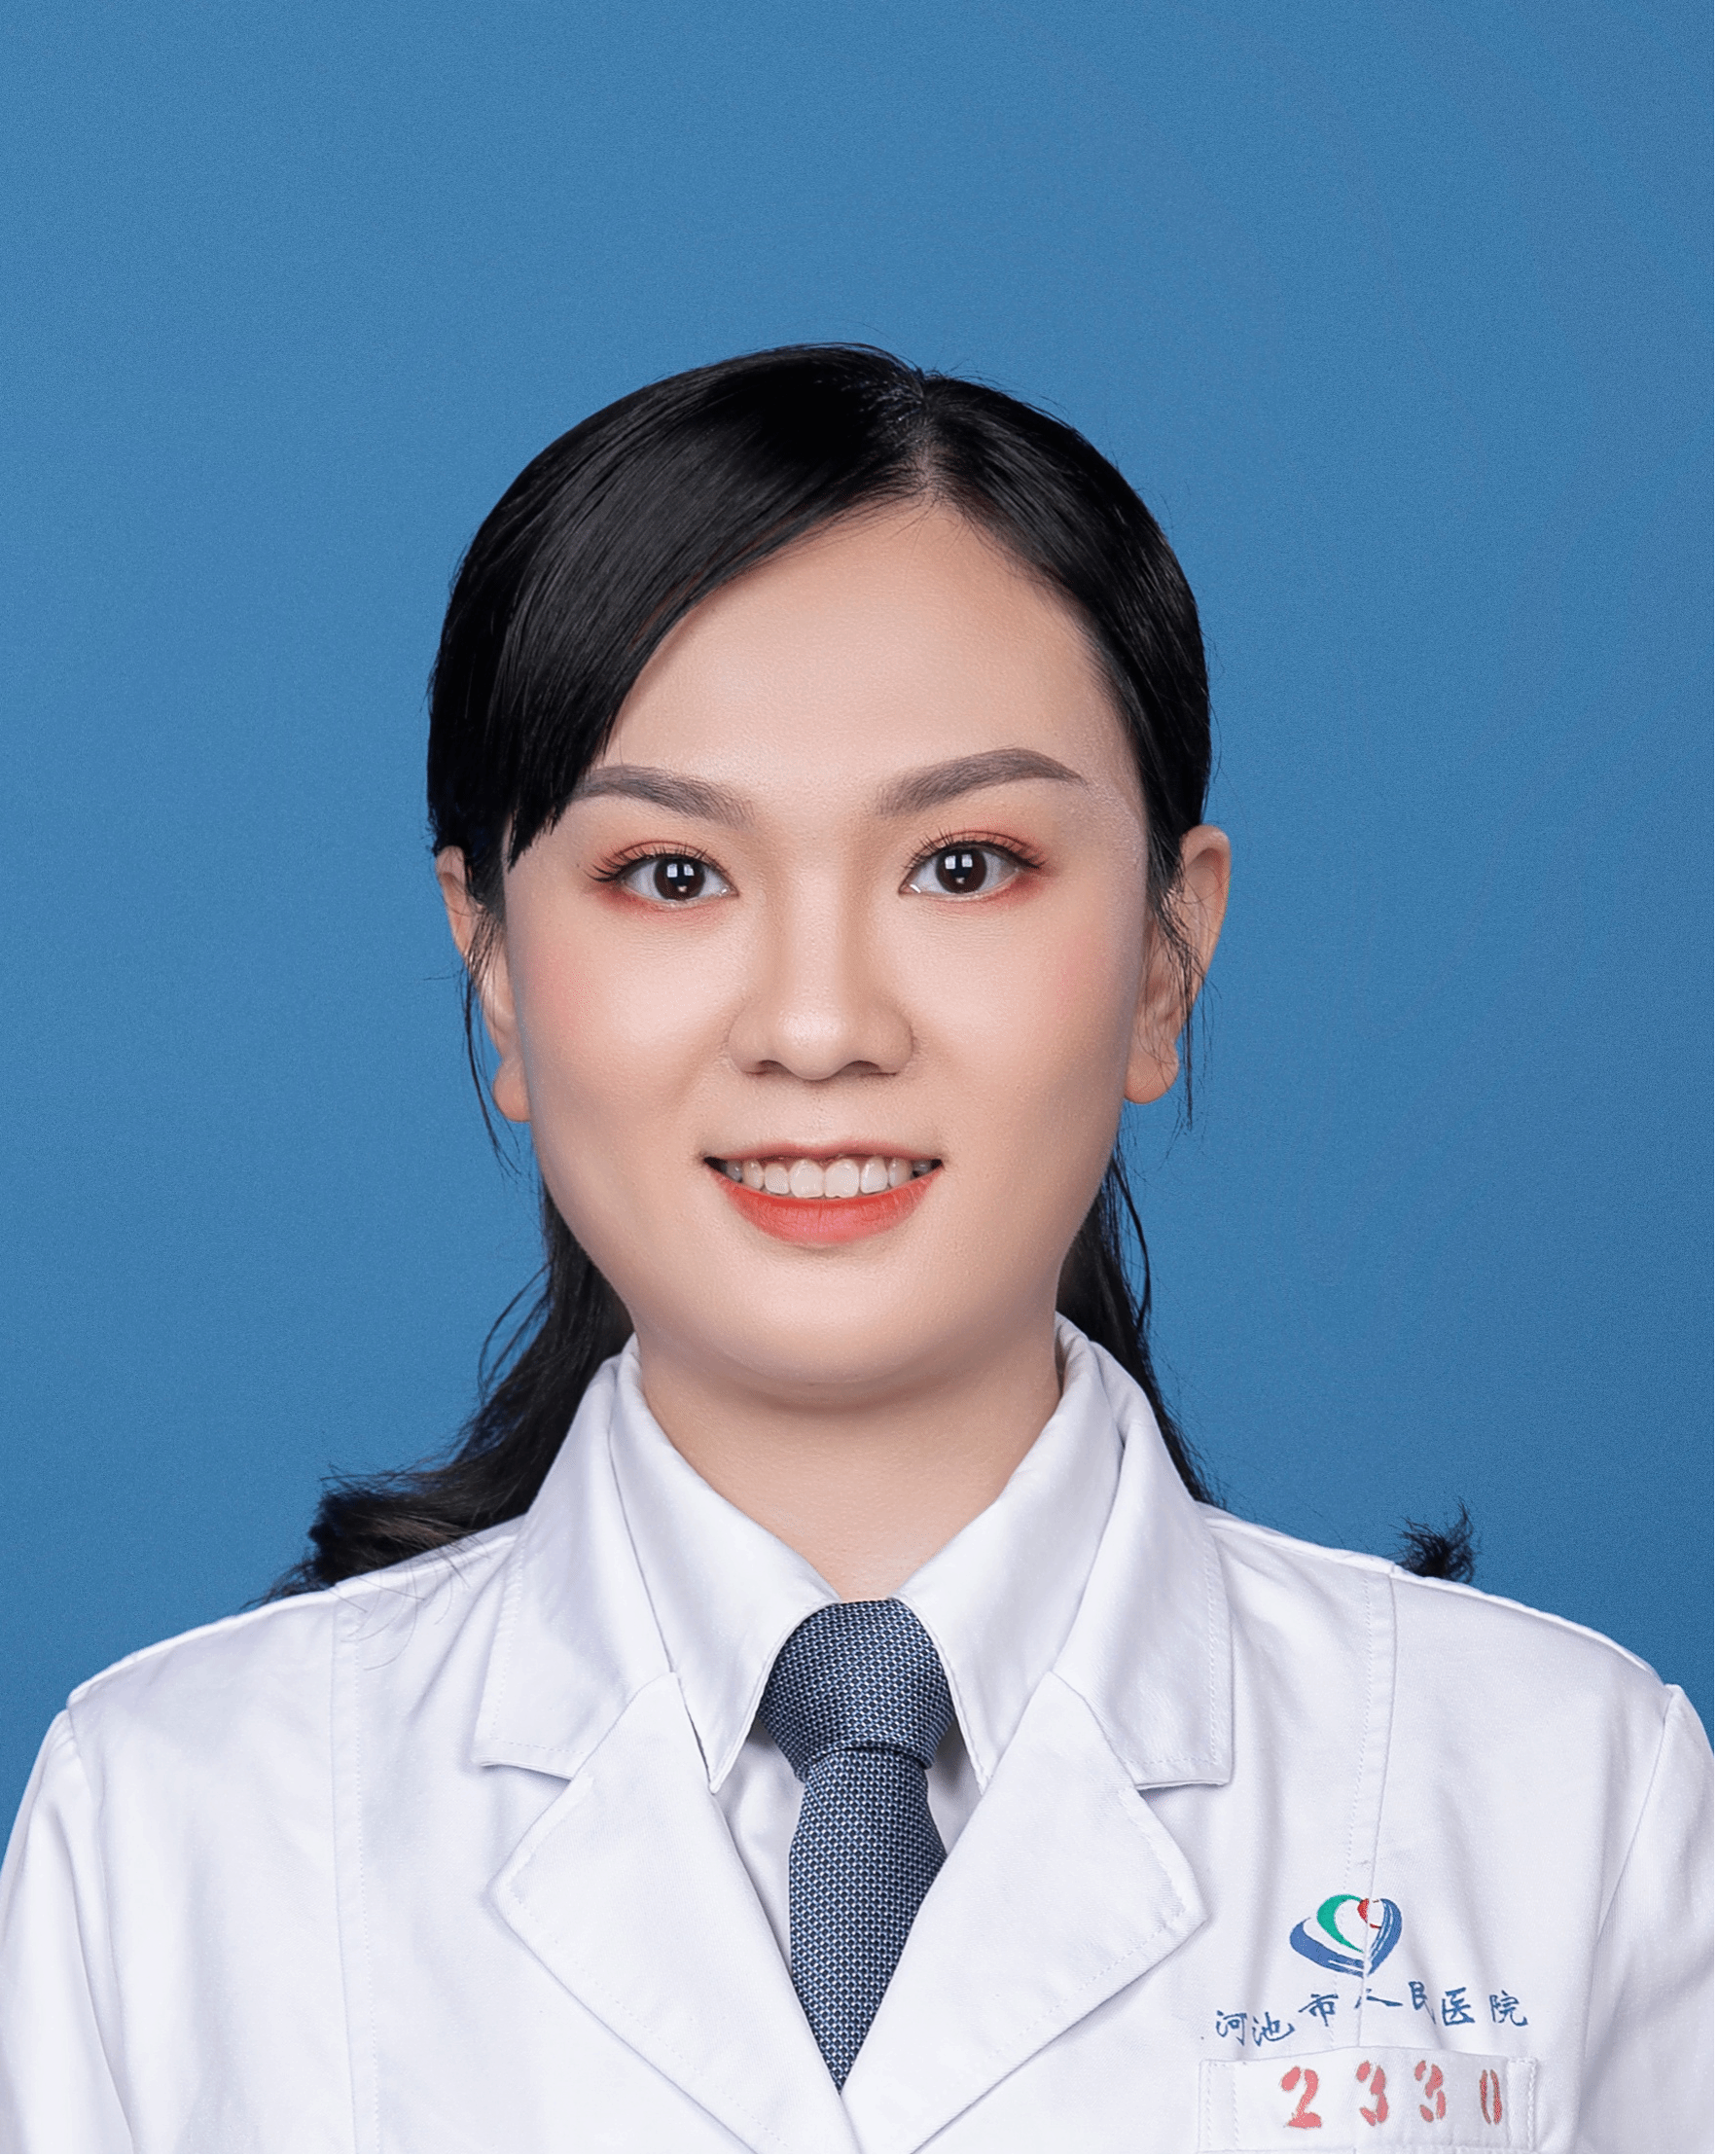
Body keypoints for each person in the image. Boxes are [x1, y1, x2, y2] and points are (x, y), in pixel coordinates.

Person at [0, 347, 1708, 2155]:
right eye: (672, 875)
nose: (817, 1028)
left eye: (963, 866)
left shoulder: (1564, 1801)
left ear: (1164, 958)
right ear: (492, 965)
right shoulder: (176, 1825)